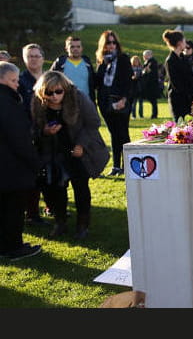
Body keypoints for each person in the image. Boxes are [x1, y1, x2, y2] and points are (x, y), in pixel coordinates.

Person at [31, 71, 110, 240]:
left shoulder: (78, 98)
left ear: (65, 89)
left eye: (58, 92)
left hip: (77, 151)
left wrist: (80, 145)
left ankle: (83, 224)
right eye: (49, 93)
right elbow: (31, 128)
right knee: (55, 189)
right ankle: (60, 222)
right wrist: (44, 131)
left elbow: (93, 122)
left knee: (81, 187)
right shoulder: (37, 103)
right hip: (52, 152)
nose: (54, 97)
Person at [0, 62, 42, 261]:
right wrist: (34, 162)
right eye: (13, 80)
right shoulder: (7, 102)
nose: (17, 84)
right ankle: (13, 247)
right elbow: (18, 138)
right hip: (11, 167)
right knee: (14, 208)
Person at [18, 43, 49, 227]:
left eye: (37, 56)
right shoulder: (20, 80)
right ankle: (31, 213)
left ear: (43, 58)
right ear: (24, 59)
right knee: (33, 175)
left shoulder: (48, 78)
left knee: (50, 171)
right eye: (30, 56)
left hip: (50, 132)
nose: (34, 59)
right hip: (30, 133)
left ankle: (52, 206)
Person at [95, 30, 133, 177]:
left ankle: (127, 164)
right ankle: (116, 166)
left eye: (113, 42)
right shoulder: (102, 60)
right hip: (105, 102)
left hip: (120, 101)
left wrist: (124, 99)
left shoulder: (123, 59)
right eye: (108, 43)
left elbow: (128, 82)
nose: (111, 46)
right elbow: (98, 82)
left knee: (123, 133)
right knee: (113, 134)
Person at [162, 29, 193, 120]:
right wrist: (189, 95)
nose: (185, 43)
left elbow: (190, 77)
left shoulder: (183, 58)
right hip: (178, 99)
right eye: (184, 41)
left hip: (188, 98)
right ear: (179, 43)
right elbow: (176, 83)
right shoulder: (170, 60)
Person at [50, 35, 96, 103]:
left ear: (82, 48)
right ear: (66, 48)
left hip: (85, 103)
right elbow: (50, 81)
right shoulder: (60, 63)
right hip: (66, 103)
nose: (75, 49)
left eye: (78, 46)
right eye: (72, 47)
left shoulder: (87, 63)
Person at [141, 50, 160, 119]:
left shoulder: (152, 62)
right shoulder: (148, 62)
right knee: (152, 101)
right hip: (150, 85)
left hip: (152, 85)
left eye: (145, 55)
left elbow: (151, 74)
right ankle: (154, 114)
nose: (144, 57)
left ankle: (154, 114)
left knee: (153, 101)